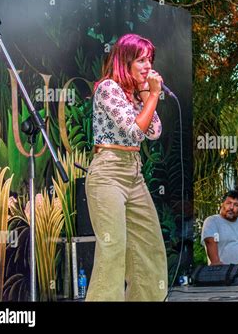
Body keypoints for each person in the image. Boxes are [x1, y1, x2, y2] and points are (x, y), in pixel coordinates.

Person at [85, 33, 168, 301]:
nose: (148, 66)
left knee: (149, 245)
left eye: (150, 60)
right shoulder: (108, 88)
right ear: (126, 61)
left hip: (134, 173)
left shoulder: (135, 94)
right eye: (141, 60)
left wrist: (146, 94)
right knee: (113, 248)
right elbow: (134, 132)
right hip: (108, 173)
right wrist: (153, 94)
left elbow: (153, 130)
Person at [201, 190, 238, 270]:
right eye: (228, 203)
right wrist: (215, 263)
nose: (231, 207)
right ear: (222, 204)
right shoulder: (212, 221)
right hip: (223, 273)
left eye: (236, 205)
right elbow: (210, 241)